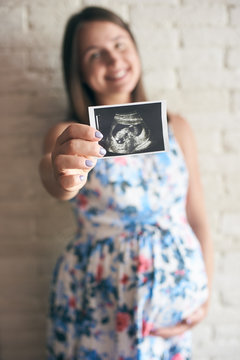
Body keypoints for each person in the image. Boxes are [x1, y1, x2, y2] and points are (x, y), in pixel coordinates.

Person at [39, 6, 213, 360]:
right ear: (80, 71)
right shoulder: (69, 136)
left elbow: (197, 219)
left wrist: (204, 296)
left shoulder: (176, 127)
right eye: (94, 54)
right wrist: (64, 171)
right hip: (99, 309)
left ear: (135, 48)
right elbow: (57, 182)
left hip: (170, 321)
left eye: (120, 44)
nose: (113, 59)